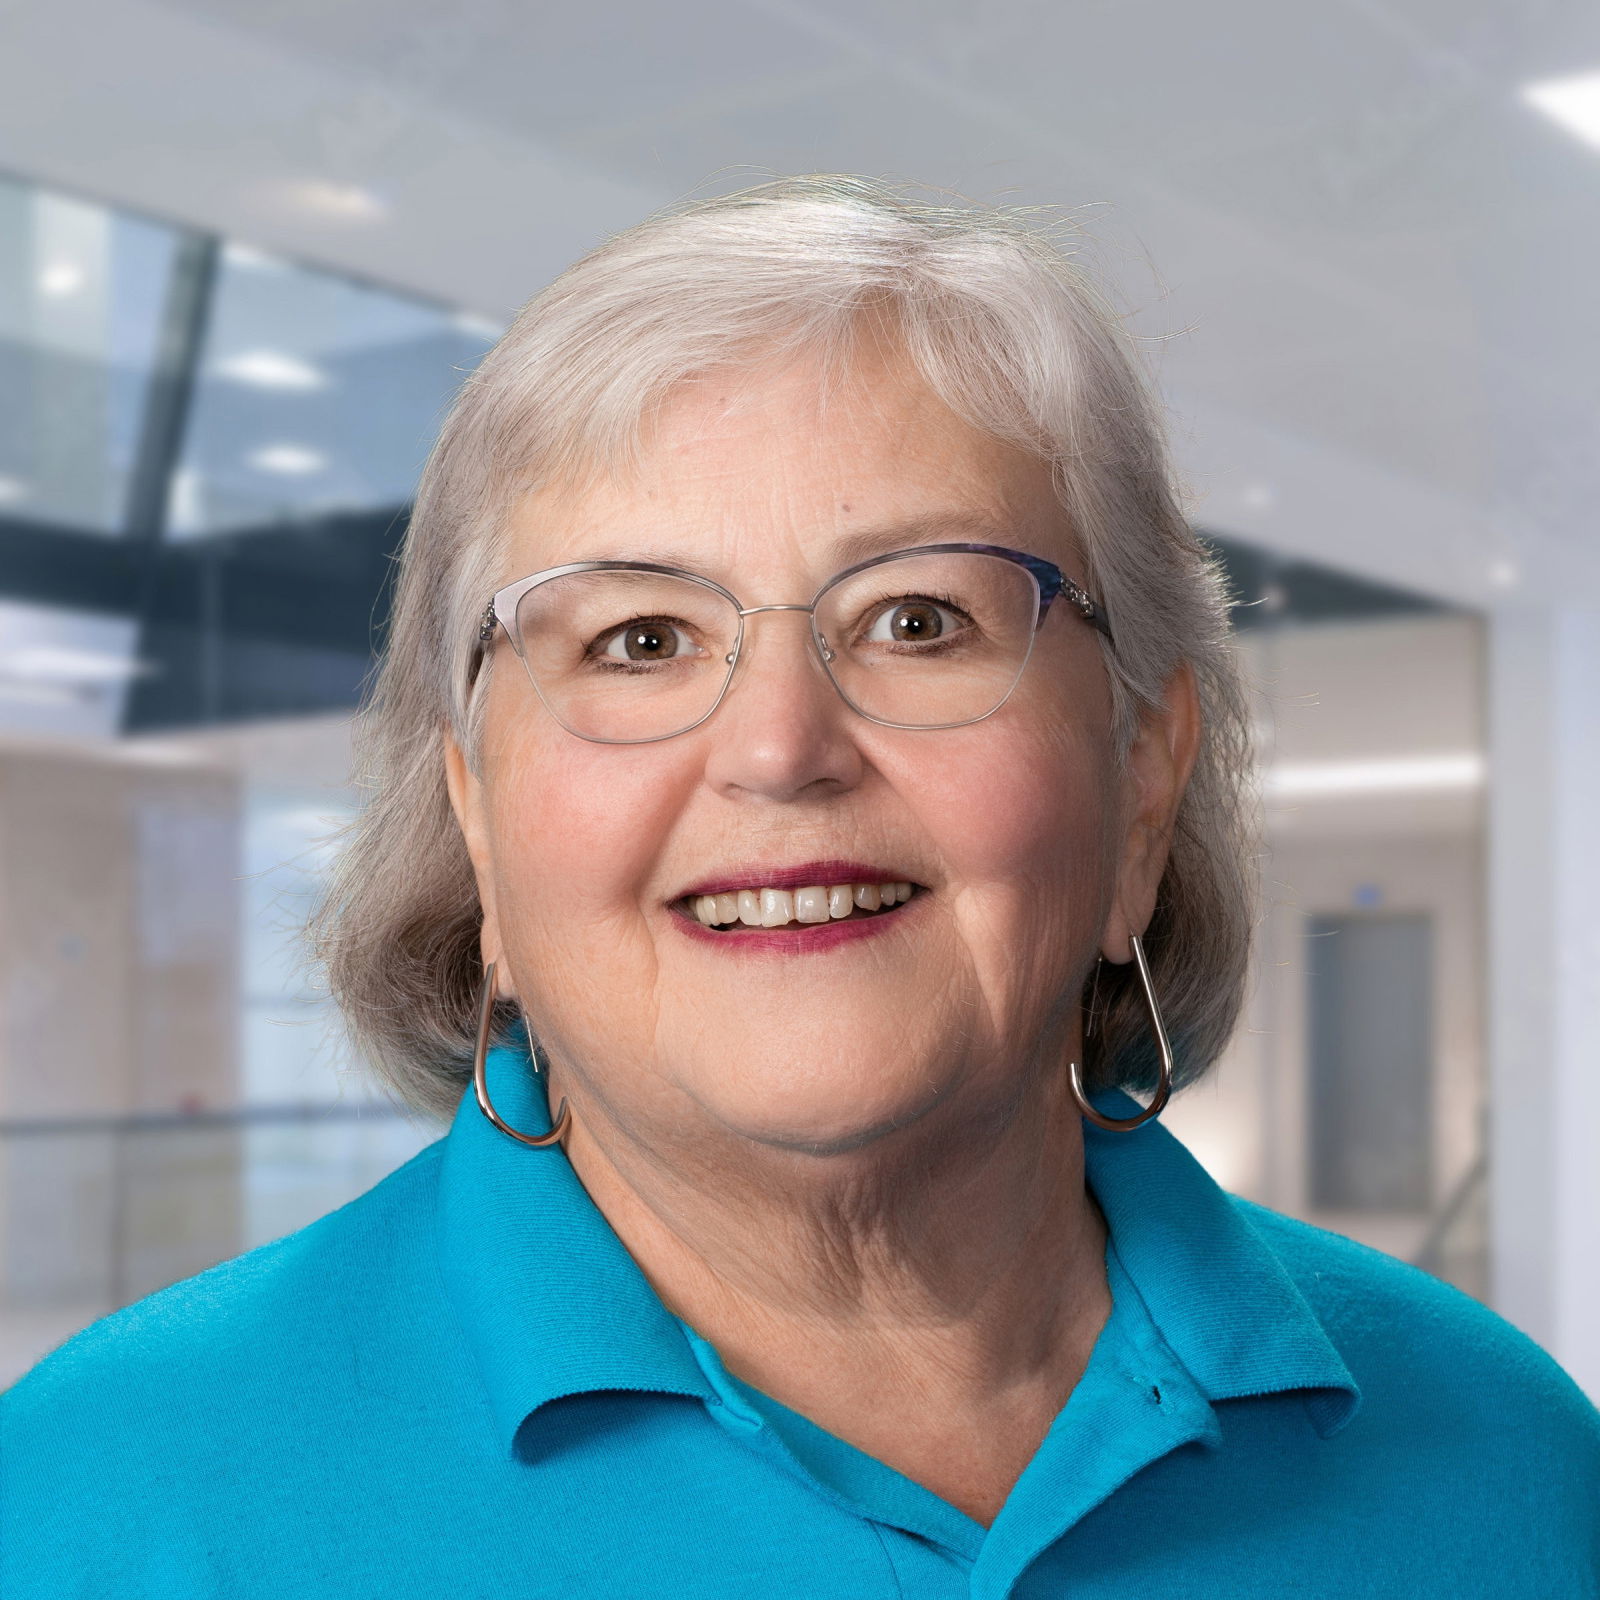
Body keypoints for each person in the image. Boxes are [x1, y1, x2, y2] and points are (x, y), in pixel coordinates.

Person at [3, 175, 1596, 1598]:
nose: (778, 747)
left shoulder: (1514, 1466)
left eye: (919, 619)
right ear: (478, 819)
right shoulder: (100, 1507)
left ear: (1144, 777)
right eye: (639, 640)